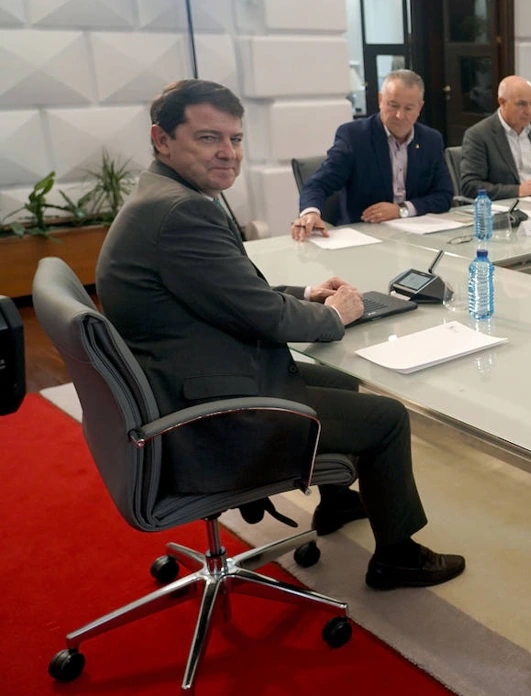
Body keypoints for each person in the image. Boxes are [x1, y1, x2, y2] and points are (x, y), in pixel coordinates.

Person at [96, 79, 465, 590]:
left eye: (236, 139)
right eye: (208, 138)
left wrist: (308, 291)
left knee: (341, 384)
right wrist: (335, 315)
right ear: (162, 139)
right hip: (209, 410)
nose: (228, 153)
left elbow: (231, 287)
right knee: (386, 417)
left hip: (186, 372)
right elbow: (264, 317)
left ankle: (337, 500)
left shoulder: (168, 193)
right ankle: (397, 557)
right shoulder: (182, 211)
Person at [292, 70, 453, 241]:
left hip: (417, 236)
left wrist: (401, 210)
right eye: (393, 105)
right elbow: (317, 185)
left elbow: (444, 195)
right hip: (365, 237)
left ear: (419, 108)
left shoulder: (431, 139)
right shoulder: (354, 137)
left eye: (408, 108)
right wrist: (310, 213)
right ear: (380, 100)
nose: (400, 115)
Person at [460, 75, 531, 200]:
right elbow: (471, 185)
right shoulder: (479, 135)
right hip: (507, 206)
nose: (529, 111)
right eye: (521, 104)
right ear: (502, 102)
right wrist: (518, 190)